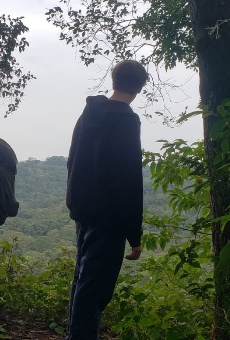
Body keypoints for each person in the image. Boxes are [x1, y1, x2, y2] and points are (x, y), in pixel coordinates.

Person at [65, 60, 147, 340]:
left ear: (114, 80)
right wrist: (134, 232)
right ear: (140, 87)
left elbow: (73, 158)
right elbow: (129, 179)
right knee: (95, 287)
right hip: (109, 218)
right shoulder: (126, 120)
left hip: (83, 211)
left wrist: (74, 202)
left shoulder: (90, 112)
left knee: (82, 280)